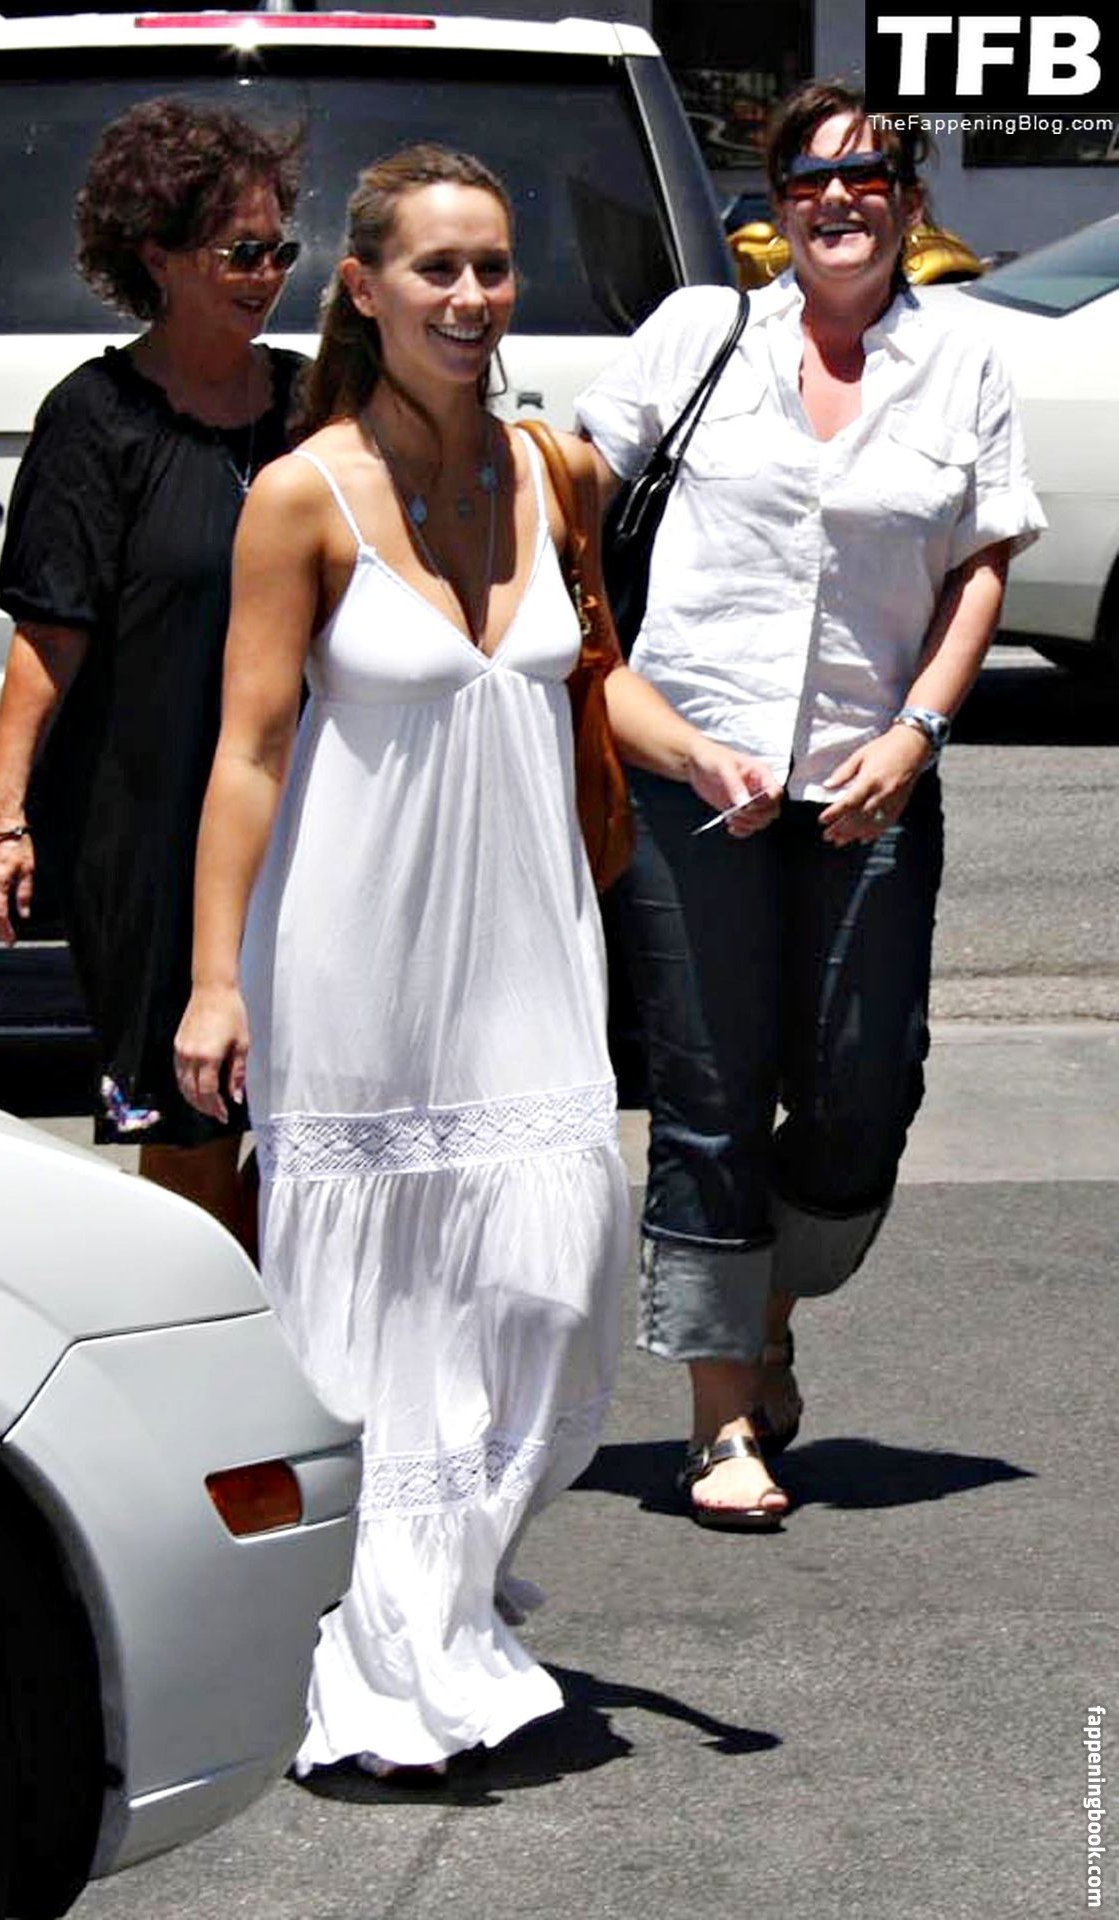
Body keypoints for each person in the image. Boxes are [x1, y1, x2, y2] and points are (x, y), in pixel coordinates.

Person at [173, 143, 778, 1775]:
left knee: (542, 1272)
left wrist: (700, 755)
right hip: (355, 954)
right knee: (384, 1308)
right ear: (361, 288)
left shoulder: (548, 472)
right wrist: (217, 978)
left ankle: (439, 1590)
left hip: (526, 943)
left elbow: (591, 674)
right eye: (435, 267)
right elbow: (247, 752)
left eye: (491, 266)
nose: (468, 296)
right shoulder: (300, 497)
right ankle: (398, 1653)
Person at [576, 81, 1044, 1531]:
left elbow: (981, 561)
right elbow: (575, 486)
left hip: (869, 779)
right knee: (709, 1097)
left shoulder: (963, 358)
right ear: (775, 206)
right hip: (695, 776)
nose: (837, 197)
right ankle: (721, 1418)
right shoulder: (700, 335)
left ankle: (765, 1306)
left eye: (867, 173)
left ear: (909, 198)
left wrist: (916, 732)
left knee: (861, 1091)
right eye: (807, 176)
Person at [0, 98, 304, 1240]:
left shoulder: (314, 406)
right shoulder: (96, 417)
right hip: (152, 827)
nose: (267, 277)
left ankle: (300, 1317)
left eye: (281, 250)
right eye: (240, 253)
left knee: (318, 1114)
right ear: (156, 256)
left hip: (308, 810)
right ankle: (219, 1332)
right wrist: (3, 822)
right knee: (194, 1116)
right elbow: (48, 636)